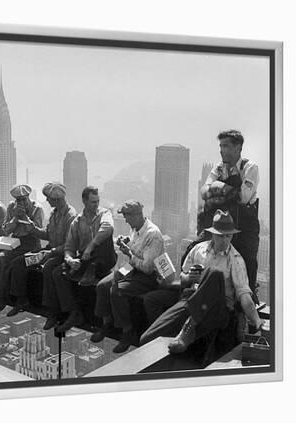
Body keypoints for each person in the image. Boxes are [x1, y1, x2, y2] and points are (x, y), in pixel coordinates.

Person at [140, 210, 263, 355]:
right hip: (191, 300)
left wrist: (257, 320)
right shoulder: (198, 250)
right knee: (146, 338)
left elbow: (244, 295)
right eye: (220, 236)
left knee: (214, 274)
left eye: (228, 236)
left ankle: (188, 331)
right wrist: (189, 278)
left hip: (217, 308)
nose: (224, 240)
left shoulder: (235, 260)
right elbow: (183, 278)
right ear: (213, 234)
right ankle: (180, 336)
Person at [92, 200, 165, 353]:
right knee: (102, 286)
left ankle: (127, 331)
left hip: (148, 276)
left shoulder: (153, 234)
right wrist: (126, 243)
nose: (125, 220)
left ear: (137, 215)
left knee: (117, 290)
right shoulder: (135, 229)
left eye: (127, 216)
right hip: (132, 268)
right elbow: (136, 249)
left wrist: (128, 253)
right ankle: (106, 323)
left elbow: (147, 268)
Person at [43, 186, 116, 333]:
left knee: (104, 239)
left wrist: (90, 246)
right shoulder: (77, 221)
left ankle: (92, 269)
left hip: (103, 257)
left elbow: (107, 227)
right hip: (86, 259)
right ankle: (73, 312)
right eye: (92, 202)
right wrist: (70, 260)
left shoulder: (104, 213)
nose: (96, 205)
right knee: (58, 272)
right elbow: (69, 247)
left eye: (97, 201)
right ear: (84, 201)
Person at [200, 130, 260, 301]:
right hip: (223, 224)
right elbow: (204, 192)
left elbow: (243, 197)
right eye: (220, 146)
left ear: (238, 147)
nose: (221, 150)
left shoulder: (249, 168)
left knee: (247, 262)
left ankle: (247, 305)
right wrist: (225, 190)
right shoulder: (219, 168)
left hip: (245, 225)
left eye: (225, 146)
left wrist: (218, 187)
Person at [3, 182, 77, 317]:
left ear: (56, 199)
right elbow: (47, 234)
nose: (47, 200)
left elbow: (69, 244)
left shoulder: (70, 216)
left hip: (60, 255)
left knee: (49, 269)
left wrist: (52, 252)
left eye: (48, 198)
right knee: (20, 262)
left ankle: (53, 310)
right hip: (49, 251)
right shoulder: (55, 213)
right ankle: (21, 299)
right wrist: (30, 226)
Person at [0, 184, 45, 312]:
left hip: (30, 242)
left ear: (28, 197)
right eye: (17, 200)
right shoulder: (11, 207)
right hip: (13, 240)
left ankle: (1, 296)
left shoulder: (37, 209)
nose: (20, 202)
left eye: (23, 199)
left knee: (2, 258)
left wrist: (25, 218)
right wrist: (15, 218)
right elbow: (5, 231)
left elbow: (38, 232)